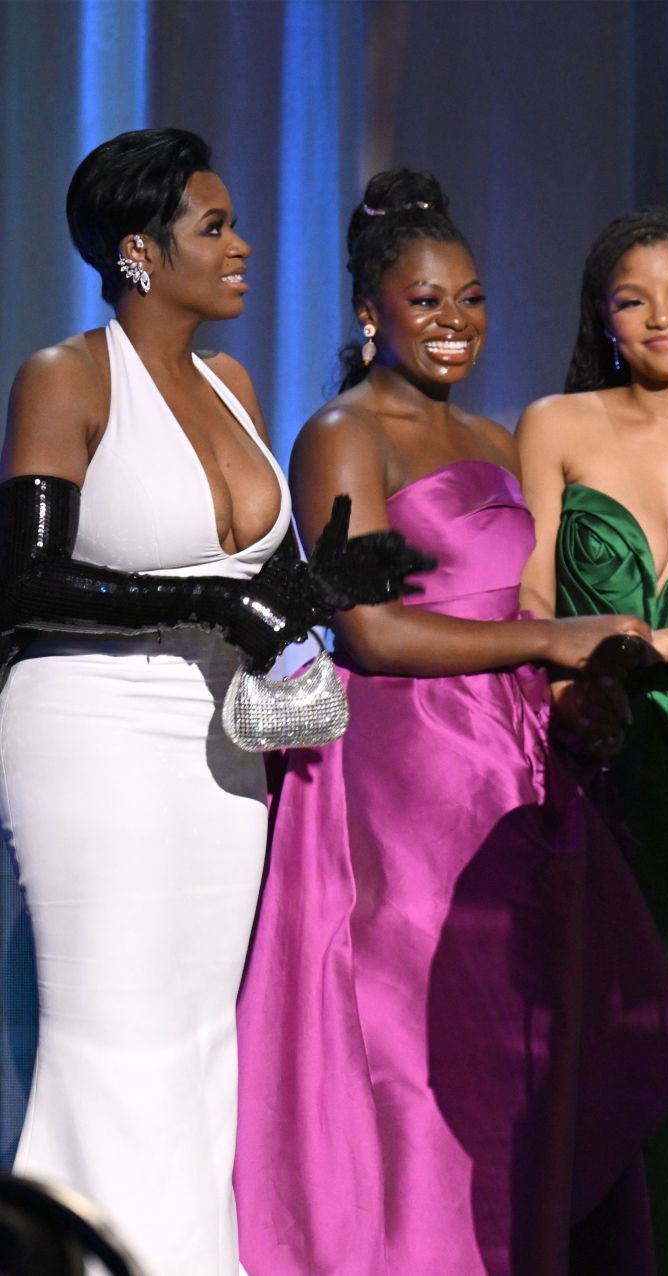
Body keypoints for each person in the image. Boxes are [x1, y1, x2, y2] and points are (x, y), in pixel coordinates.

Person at [234, 170, 668, 1275]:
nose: (455, 324)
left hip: (509, 762)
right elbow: (367, 632)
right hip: (401, 775)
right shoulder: (344, 433)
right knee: (408, 1032)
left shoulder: (493, 436)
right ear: (369, 315)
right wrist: (546, 646)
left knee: (521, 1041)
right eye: (427, 302)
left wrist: (574, 695)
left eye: (473, 300)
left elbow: (519, 607)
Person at [0, 128, 415, 1276]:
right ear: (138, 252)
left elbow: (247, 584)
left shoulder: (231, 384)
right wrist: (224, 612)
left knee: (195, 1042)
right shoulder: (66, 376)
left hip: (221, 744)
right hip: (92, 731)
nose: (242, 247)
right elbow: (25, 579)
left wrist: (320, 587)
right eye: (215, 228)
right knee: (113, 1038)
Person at [518, 204, 668, 1276]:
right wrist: (577, 686)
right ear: (602, 318)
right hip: (602, 775)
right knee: (611, 1054)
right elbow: (528, 604)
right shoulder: (558, 423)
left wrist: (644, 640)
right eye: (632, 297)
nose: (663, 315)